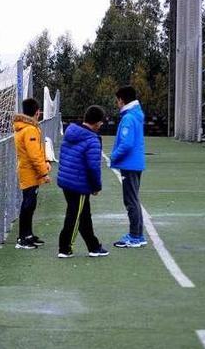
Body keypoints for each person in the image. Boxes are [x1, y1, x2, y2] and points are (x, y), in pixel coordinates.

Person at [56, 105, 110, 259]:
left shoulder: (71, 132)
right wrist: (96, 187)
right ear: (98, 123)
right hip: (79, 184)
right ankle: (65, 247)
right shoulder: (92, 140)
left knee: (84, 214)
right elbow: (93, 167)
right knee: (74, 216)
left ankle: (93, 246)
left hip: (67, 180)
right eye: (101, 123)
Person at [110, 85, 148, 248]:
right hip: (135, 164)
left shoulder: (128, 118)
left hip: (129, 165)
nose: (117, 103)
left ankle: (135, 236)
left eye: (117, 100)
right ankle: (137, 234)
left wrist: (113, 156)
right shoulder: (136, 115)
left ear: (122, 100)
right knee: (134, 199)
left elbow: (126, 144)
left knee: (130, 200)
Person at [13, 98, 51, 249]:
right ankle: (23, 238)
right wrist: (43, 173)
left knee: (30, 204)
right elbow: (34, 155)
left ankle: (27, 234)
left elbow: (36, 153)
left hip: (28, 170)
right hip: (29, 172)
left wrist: (45, 162)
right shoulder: (29, 129)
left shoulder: (27, 128)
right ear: (37, 112)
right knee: (28, 204)